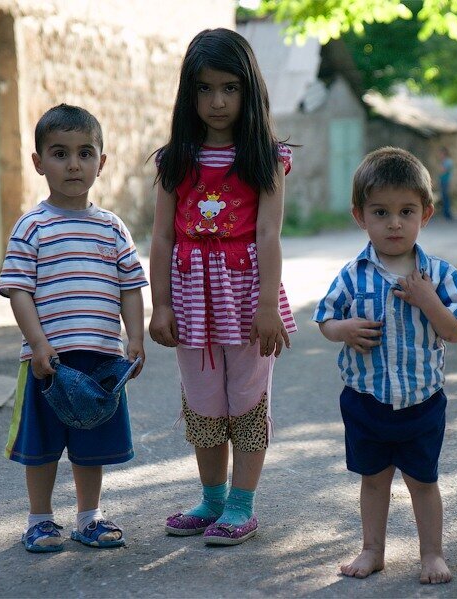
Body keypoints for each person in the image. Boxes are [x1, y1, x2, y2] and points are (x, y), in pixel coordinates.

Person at [149, 28, 296, 547]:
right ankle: (211, 499)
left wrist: (267, 309)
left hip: (247, 297)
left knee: (248, 400)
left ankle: (241, 505)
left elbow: (268, 235)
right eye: (205, 89)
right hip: (191, 302)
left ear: (248, 90)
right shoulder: (175, 161)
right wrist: (160, 304)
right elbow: (163, 235)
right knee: (204, 402)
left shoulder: (267, 158)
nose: (217, 102)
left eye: (230, 88)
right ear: (189, 93)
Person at [313, 147, 457, 584]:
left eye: (406, 211)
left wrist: (427, 300)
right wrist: (343, 329)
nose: (394, 223)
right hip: (365, 400)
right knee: (374, 480)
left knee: (423, 482)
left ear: (426, 213)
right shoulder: (352, 274)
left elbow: (456, 332)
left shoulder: (439, 276)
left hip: (422, 401)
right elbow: (325, 319)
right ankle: (372, 550)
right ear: (360, 216)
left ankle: (432, 554)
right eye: (381, 212)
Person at [0, 104, 147, 552]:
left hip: (101, 359)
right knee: (42, 445)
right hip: (49, 361)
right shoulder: (32, 227)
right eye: (60, 153)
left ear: (101, 163)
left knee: (91, 444)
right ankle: (40, 519)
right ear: (39, 162)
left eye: (85, 153)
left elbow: (130, 287)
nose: (73, 164)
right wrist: (38, 343)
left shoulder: (112, 228)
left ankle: (89, 517)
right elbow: (18, 290)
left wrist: (134, 337)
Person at [438, 146, 454, 220]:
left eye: (441, 153)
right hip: (442, 181)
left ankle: (447, 214)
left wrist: (442, 163)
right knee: (444, 197)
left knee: (446, 197)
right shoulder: (444, 161)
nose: (440, 155)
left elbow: (443, 170)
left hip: (446, 181)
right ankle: (445, 213)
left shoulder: (448, 161)